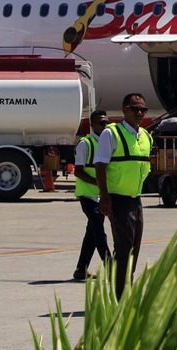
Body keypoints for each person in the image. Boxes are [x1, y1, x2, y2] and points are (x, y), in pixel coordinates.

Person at [96, 93, 153, 298]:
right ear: (124, 110)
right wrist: (104, 196)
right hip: (117, 199)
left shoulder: (145, 136)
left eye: (142, 109)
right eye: (134, 108)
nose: (139, 113)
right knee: (123, 248)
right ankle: (120, 296)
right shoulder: (111, 133)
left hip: (135, 199)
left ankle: (125, 289)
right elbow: (100, 166)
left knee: (134, 248)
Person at [72, 109, 111, 281]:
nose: (105, 126)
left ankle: (81, 269)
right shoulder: (86, 144)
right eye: (102, 123)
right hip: (88, 195)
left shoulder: (108, 142)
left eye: (107, 123)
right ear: (92, 125)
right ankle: (111, 266)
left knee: (92, 233)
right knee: (99, 232)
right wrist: (98, 183)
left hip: (101, 196)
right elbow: (78, 171)